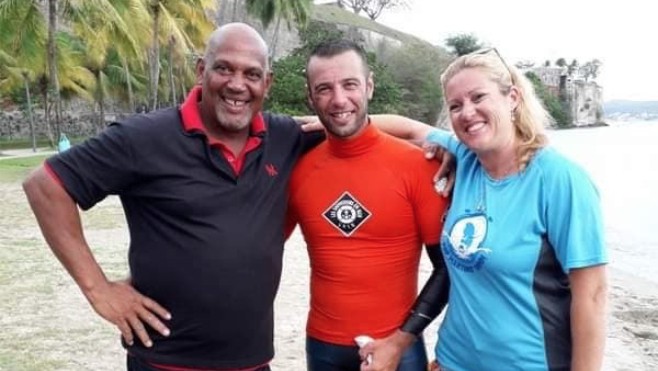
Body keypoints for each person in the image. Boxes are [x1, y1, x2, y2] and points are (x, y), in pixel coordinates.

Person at [22, 23, 325, 371]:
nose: (237, 84)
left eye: (251, 74)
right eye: (224, 68)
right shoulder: (144, 137)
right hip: (165, 361)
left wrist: (351, 114)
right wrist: (98, 289)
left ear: (266, 83)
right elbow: (45, 186)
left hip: (252, 362)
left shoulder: (284, 137)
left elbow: (387, 130)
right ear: (201, 70)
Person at [379, 48, 608, 371]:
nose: (467, 112)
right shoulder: (467, 158)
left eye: (478, 97)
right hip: (451, 360)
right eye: (455, 105)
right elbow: (406, 128)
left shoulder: (560, 179)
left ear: (512, 97)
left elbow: (594, 295)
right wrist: (314, 123)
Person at [285, 40, 451, 371]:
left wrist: (402, 338)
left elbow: (447, 269)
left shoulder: (419, 165)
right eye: (324, 89)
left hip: (399, 348)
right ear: (310, 97)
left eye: (350, 85)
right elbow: (253, 246)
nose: (339, 99)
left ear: (369, 86)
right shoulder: (297, 169)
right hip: (322, 347)